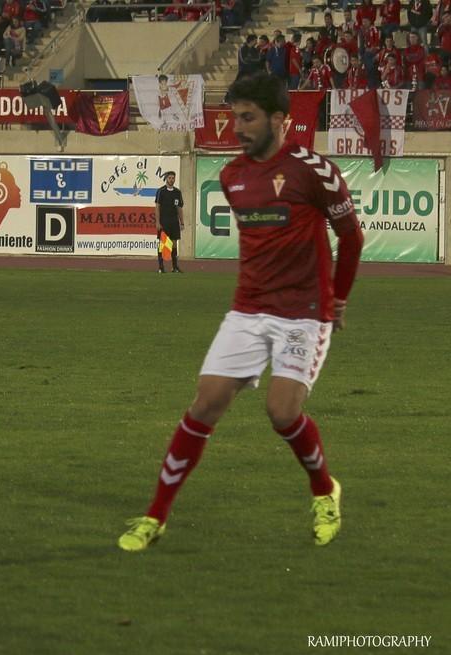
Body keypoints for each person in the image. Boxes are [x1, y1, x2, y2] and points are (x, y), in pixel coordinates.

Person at [118, 73, 365, 553]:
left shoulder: (314, 171)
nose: (237, 127)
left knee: (282, 411)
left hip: (303, 313)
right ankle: (155, 515)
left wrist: (339, 298)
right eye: (234, 117)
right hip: (248, 310)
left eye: (248, 117)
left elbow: (351, 238)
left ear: (279, 119)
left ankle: (324, 492)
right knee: (204, 404)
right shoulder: (232, 176)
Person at [154, 171, 184, 273]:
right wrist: (157, 222)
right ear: (166, 179)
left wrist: (182, 222)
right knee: (162, 244)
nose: (171, 180)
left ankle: (174, 267)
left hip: (174, 221)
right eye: (170, 178)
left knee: (174, 243)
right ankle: (161, 267)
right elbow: (157, 207)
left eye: (173, 178)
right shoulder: (161, 191)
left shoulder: (177, 192)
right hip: (164, 221)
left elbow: (179, 208)